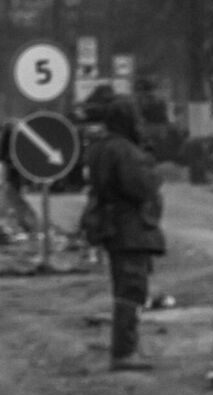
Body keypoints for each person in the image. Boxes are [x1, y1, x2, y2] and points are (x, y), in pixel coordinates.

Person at [78, 97, 167, 372]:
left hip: (112, 224)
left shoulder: (100, 147)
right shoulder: (124, 150)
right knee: (132, 287)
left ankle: (126, 347)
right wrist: (148, 163)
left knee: (125, 286)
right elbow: (141, 187)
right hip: (130, 227)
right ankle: (124, 351)